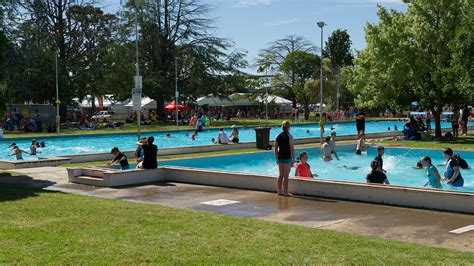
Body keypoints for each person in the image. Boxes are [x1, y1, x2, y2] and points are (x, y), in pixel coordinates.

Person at [274, 121, 295, 197]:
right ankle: (285, 192)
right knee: (286, 176)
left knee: (280, 175)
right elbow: (292, 149)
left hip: (280, 157)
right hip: (287, 157)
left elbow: (276, 148)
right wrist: (293, 159)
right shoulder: (290, 136)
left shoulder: (277, 136)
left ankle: (279, 191)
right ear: (289, 127)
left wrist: (276, 156)